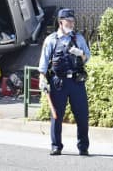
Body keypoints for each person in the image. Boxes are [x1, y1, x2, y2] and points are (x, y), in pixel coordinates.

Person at [38, 8, 91, 156]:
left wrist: (80, 54)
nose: (72, 24)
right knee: (57, 115)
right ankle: (56, 146)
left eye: (73, 21)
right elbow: (44, 62)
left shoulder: (78, 38)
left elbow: (87, 57)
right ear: (61, 22)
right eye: (69, 21)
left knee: (82, 115)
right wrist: (42, 78)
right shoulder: (51, 39)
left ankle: (83, 146)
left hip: (76, 81)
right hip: (58, 82)